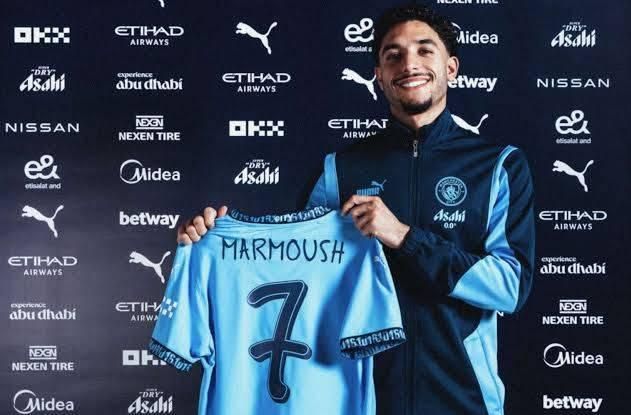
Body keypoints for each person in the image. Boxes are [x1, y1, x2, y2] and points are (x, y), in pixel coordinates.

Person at [178, 5, 534, 415]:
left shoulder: (497, 166)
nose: (409, 64)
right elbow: (295, 277)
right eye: (393, 55)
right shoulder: (339, 171)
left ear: (451, 68)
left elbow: (508, 287)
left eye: (424, 50)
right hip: (356, 400)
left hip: (463, 401)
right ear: (379, 76)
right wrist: (214, 244)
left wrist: (404, 237)